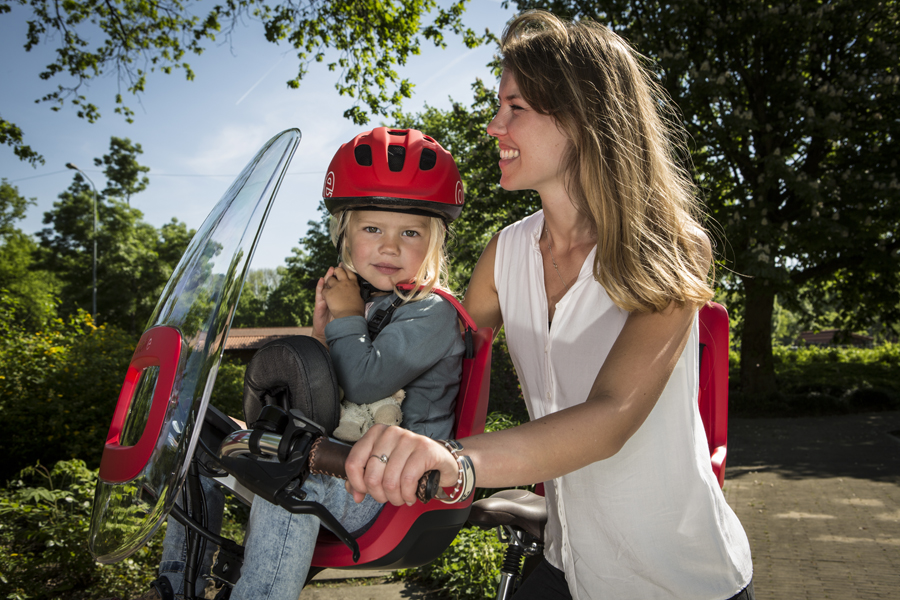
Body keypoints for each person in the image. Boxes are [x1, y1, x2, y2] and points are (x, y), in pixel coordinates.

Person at [345, 11, 754, 600]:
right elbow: (430, 350)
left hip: (683, 579)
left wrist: (456, 462)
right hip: (571, 564)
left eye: (516, 108)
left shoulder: (668, 246)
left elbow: (611, 417)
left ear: (583, 120)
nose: (493, 126)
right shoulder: (505, 252)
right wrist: (329, 346)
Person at [142, 127, 468, 600]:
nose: (390, 246)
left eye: (410, 233)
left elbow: (360, 383)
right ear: (345, 235)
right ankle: (177, 584)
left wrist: (347, 317)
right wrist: (322, 334)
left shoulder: (432, 310)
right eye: (372, 229)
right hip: (343, 461)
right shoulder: (371, 303)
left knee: (291, 477)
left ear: (433, 240)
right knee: (196, 441)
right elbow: (323, 397)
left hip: (393, 485)